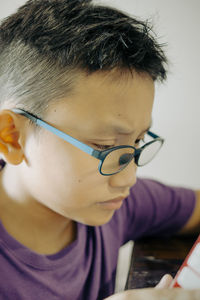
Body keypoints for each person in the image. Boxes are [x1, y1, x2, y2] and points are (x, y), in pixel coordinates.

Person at [0, 0, 199, 299]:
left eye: (137, 142)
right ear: (12, 137)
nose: (128, 178)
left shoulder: (120, 205)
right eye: (105, 147)